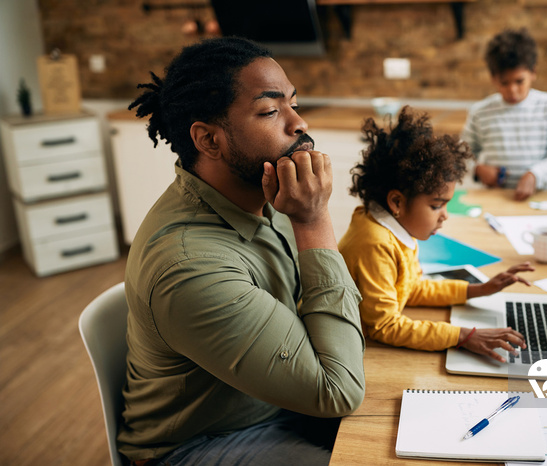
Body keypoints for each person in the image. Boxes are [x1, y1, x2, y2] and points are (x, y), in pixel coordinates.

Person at [119, 37, 365, 466]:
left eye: (293, 103)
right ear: (209, 140)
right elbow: (337, 391)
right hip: (202, 442)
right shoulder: (188, 266)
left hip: (274, 401)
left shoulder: (267, 195)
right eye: (270, 111)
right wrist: (314, 221)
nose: (299, 123)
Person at [338, 106, 533, 361]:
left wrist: (478, 290)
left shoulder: (396, 229)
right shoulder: (376, 243)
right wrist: (463, 335)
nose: (445, 215)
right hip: (352, 351)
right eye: (436, 205)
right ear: (397, 202)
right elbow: (384, 326)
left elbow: (411, 289)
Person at [461, 28, 547, 201]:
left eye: (519, 81)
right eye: (504, 82)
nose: (512, 90)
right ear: (493, 78)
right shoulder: (479, 112)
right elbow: (462, 153)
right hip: (494, 199)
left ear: (533, 72)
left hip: (537, 199)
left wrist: (535, 175)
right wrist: (477, 169)